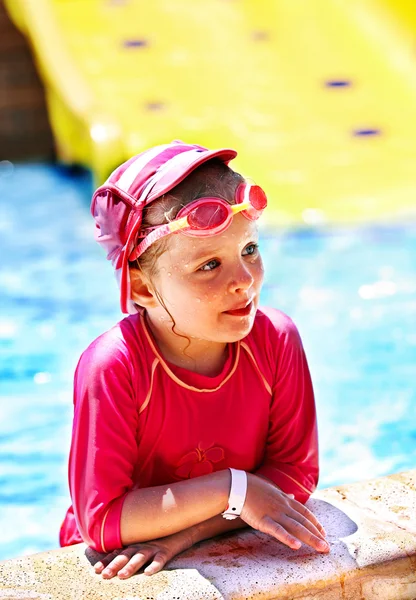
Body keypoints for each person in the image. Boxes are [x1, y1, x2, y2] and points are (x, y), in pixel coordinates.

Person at [59, 140, 329, 580]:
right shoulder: (114, 366)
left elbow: (295, 475)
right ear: (143, 289)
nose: (244, 281)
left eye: (249, 250)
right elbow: (101, 523)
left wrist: (183, 535)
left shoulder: (276, 340)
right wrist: (231, 486)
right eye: (208, 265)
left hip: (162, 547)